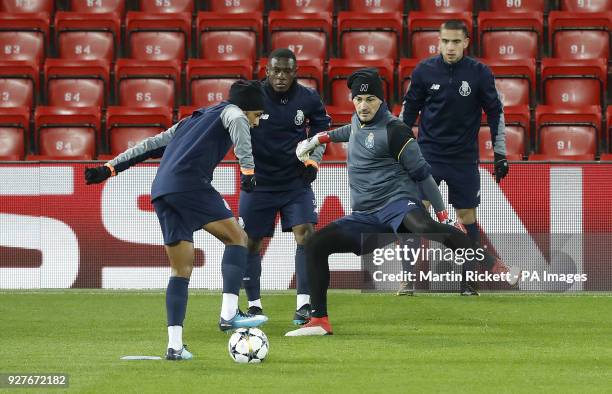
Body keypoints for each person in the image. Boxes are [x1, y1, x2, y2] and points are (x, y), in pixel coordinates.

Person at [285, 68, 518, 336]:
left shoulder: (396, 130)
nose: (363, 105)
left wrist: (442, 214)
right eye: (358, 100)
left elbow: (424, 177)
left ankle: (491, 262)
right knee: (315, 244)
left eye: (370, 99)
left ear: (381, 101)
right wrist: (318, 138)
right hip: (366, 215)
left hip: (398, 203)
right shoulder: (358, 120)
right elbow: (351, 131)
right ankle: (319, 321)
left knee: (424, 227)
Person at [84, 80, 268, 360]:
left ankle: (175, 346)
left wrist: (110, 168)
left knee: (180, 270)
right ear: (248, 108)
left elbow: (149, 145)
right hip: (190, 184)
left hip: (162, 191)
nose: (255, 123)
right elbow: (239, 121)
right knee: (238, 238)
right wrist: (247, 170)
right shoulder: (233, 112)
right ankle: (230, 314)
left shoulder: (190, 121)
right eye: (257, 116)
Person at [400, 19, 510, 296]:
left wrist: (500, 153)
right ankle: (407, 279)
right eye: (445, 41)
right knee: (415, 214)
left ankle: (469, 281)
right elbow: (407, 112)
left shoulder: (479, 73)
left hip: (463, 159)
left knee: (466, 216)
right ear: (438, 41)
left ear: (466, 43)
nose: (450, 47)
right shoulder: (425, 71)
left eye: (455, 42)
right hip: (428, 156)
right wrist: (398, 150)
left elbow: (496, 112)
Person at [239, 48, 330, 325]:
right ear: (266, 71)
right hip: (259, 181)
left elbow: (321, 130)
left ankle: (304, 304)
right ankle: (254, 305)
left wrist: (313, 162)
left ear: (295, 72)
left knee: (307, 235)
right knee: (251, 242)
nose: (280, 76)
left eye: (286, 71)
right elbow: (235, 128)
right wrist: (245, 166)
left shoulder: (309, 98)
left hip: (294, 181)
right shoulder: (252, 95)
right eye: (275, 70)